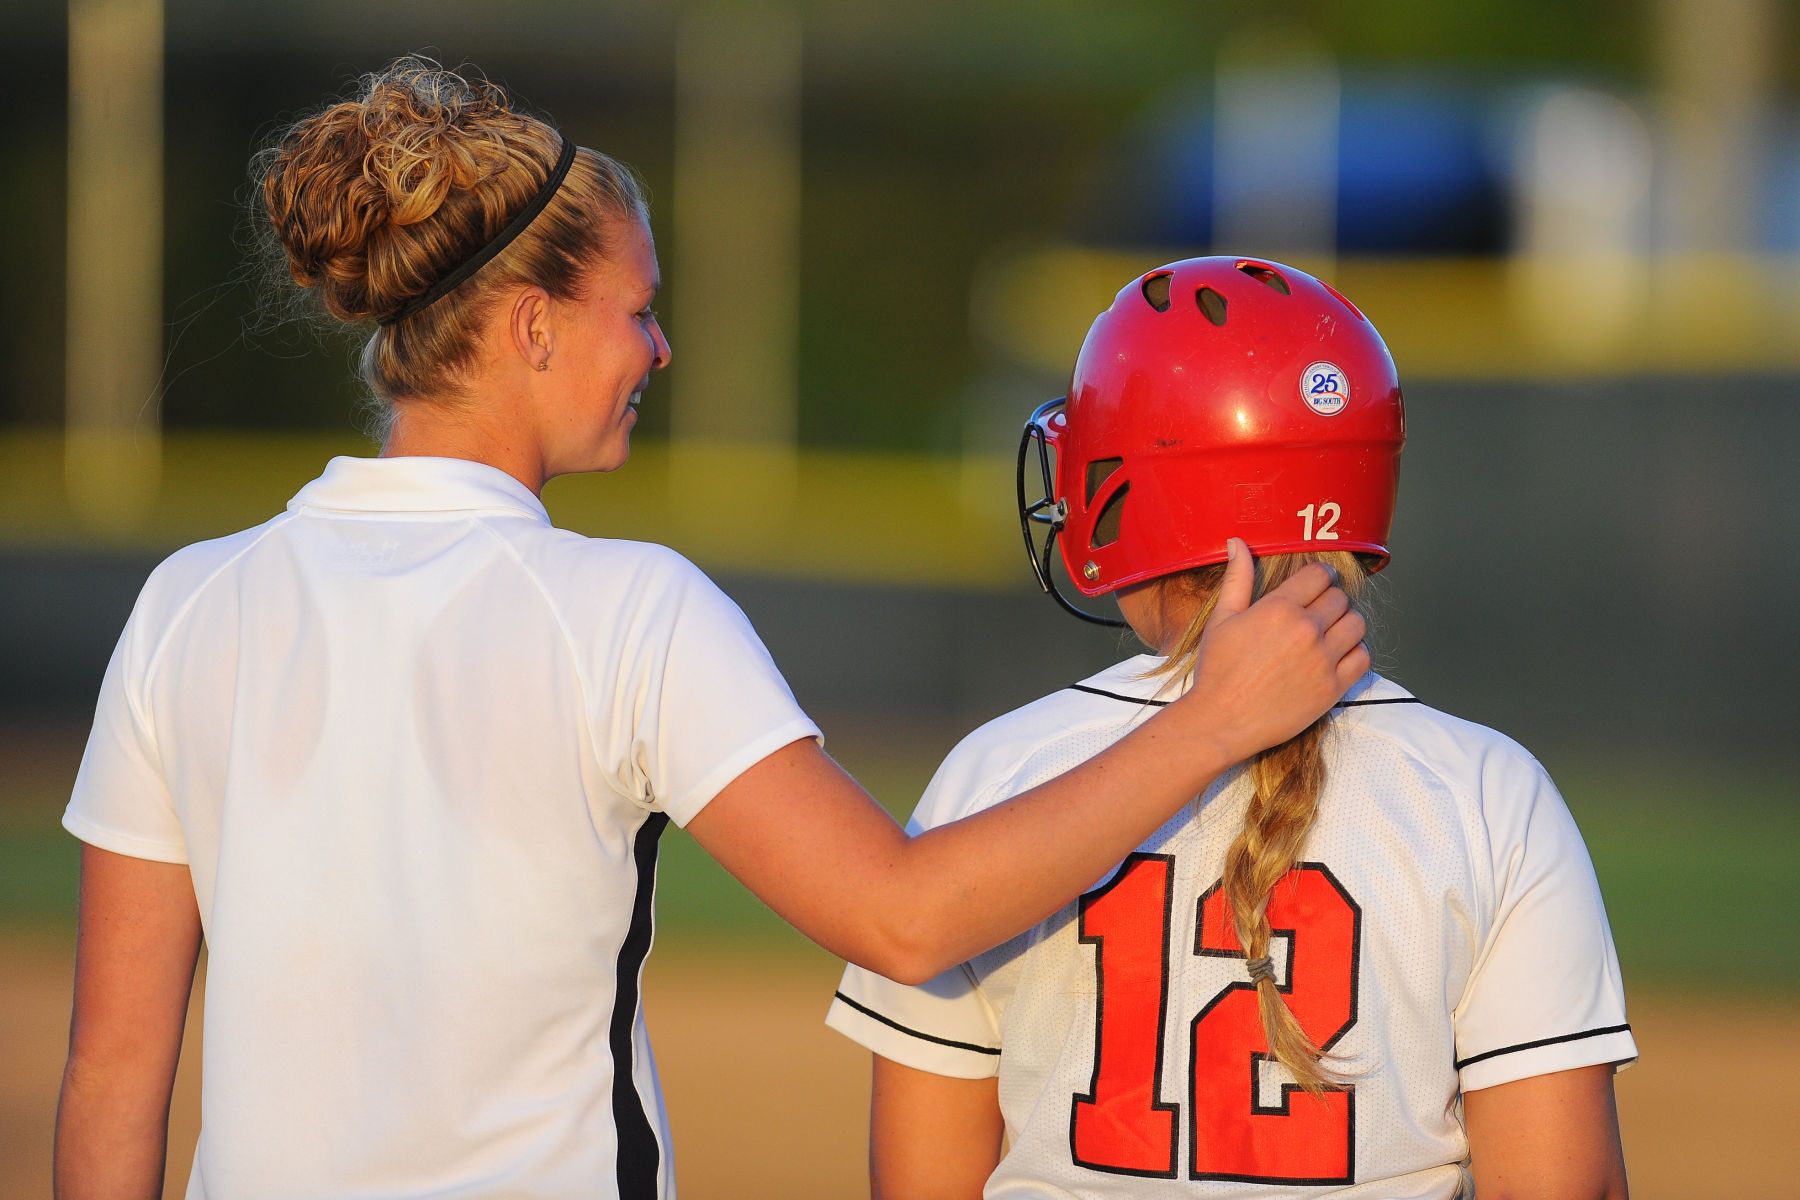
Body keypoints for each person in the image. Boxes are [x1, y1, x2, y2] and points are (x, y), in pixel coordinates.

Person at [51, 63, 1369, 1200]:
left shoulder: (191, 604)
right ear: (530, 329)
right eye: (637, 309)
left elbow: (115, 1068)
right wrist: (1215, 720)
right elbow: (904, 918)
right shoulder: (625, 611)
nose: (661, 348)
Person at [828, 257, 1636, 1199]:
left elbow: (920, 1186)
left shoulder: (1000, 773)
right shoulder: (1490, 792)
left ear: (1134, 490)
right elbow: (1563, 1186)